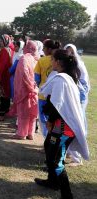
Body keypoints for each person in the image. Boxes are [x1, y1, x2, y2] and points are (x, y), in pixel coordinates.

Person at [35, 49, 89, 199]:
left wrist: (50, 122)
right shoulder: (66, 78)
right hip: (61, 125)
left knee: (56, 160)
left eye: (52, 59)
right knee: (48, 147)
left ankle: (67, 194)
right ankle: (52, 182)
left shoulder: (62, 79)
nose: (50, 61)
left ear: (58, 62)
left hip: (64, 128)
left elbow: (57, 105)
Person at [64, 44, 90, 166]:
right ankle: (69, 151)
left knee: (76, 126)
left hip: (78, 100)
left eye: (71, 52)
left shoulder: (79, 65)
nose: (69, 54)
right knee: (67, 126)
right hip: (70, 100)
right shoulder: (67, 65)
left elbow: (83, 85)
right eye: (67, 52)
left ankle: (77, 158)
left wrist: (78, 99)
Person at [12, 40, 39, 140]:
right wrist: (34, 88)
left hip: (25, 90)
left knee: (23, 113)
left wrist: (29, 87)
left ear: (28, 48)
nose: (23, 48)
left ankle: (21, 134)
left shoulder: (24, 58)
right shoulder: (37, 59)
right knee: (32, 114)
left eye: (25, 46)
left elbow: (24, 74)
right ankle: (30, 133)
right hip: (35, 91)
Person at [34, 39, 61, 137]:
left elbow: (36, 77)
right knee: (54, 119)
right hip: (56, 95)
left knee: (43, 119)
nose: (43, 50)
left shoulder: (42, 60)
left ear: (49, 49)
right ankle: (54, 141)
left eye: (44, 48)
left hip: (43, 94)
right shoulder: (60, 59)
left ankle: (47, 140)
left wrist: (40, 85)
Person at [0, 34, 14, 121]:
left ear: (5, 41)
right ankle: (6, 111)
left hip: (4, 76)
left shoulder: (4, 50)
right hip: (8, 76)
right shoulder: (11, 49)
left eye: (1, 41)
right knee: (6, 95)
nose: (0, 42)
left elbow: (1, 66)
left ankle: (1, 114)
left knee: (3, 95)